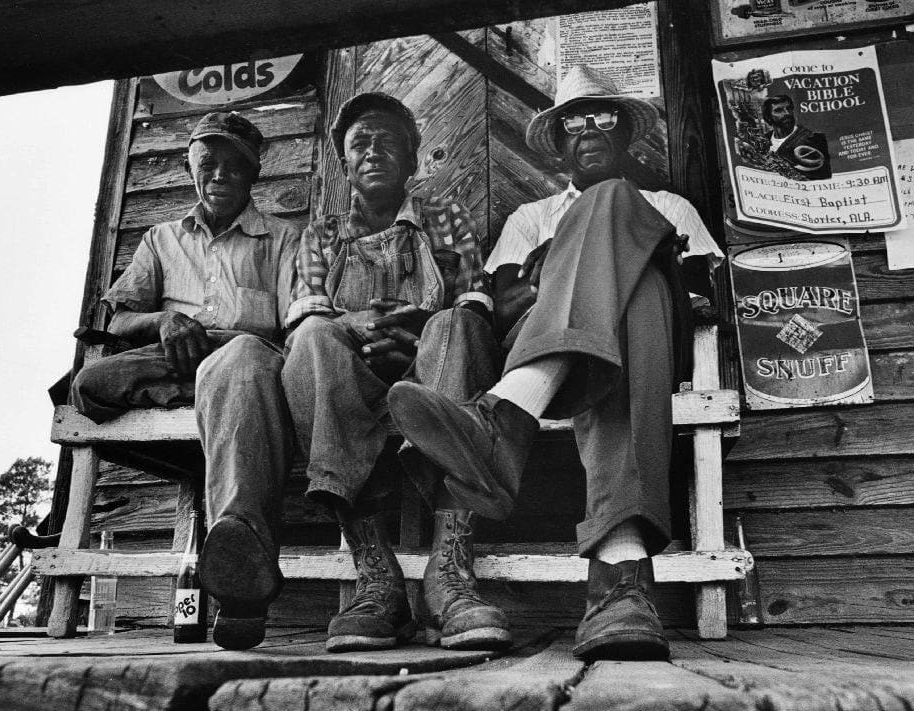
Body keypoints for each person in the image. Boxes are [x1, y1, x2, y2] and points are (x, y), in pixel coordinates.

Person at [387, 65, 723, 662]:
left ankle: (508, 416)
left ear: (625, 134)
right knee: (626, 305)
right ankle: (621, 581)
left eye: (603, 117)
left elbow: (707, 289)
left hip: (653, 340)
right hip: (580, 347)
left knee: (628, 253)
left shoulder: (670, 204)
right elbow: (501, 304)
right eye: (574, 120)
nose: (588, 128)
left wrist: (620, 255)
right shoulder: (529, 218)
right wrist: (573, 262)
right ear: (560, 141)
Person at [282, 92, 512, 653]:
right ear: (344, 164)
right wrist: (360, 325)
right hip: (352, 377)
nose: (374, 151)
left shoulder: (442, 217)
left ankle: (450, 574)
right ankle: (376, 577)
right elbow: (307, 310)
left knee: (456, 325)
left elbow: (475, 298)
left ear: (412, 160)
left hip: (433, 369)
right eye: (360, 143)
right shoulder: (322, 234)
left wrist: (425, 324)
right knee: (313, 337)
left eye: (390, 141)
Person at [70, 111, 302, 650]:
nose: (220, 175)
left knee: (242, 357)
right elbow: (119, 317)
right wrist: (163, 321)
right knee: (91, 383)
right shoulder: (160, 239)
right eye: (208, 163)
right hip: (172, 362)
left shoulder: (284, 239)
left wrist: (233, 341)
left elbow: (295, 326)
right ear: (189, 167)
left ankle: (242, 571)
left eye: (234, 167)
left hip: (247, 363)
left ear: (254, 174)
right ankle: (210, 389)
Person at [761, 94, 831, 180]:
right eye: (779, 110)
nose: (787, 113)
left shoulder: (814, 139)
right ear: (768, 118)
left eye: (789, 108)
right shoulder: (763, 140)